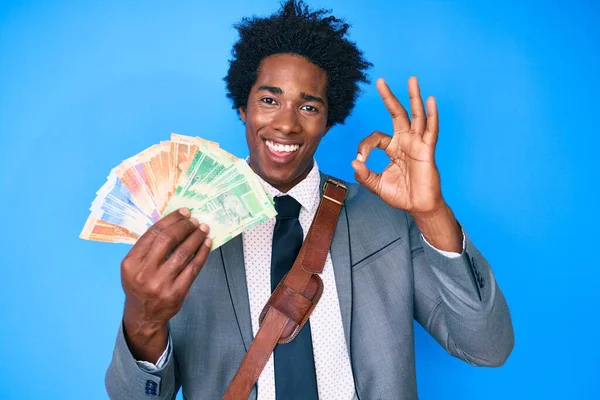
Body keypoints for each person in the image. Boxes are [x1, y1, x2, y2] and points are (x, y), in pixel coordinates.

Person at [105, 1, 514, 399]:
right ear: (242, 107)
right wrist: (143, 321)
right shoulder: (184, 229)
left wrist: (431, 213)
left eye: (308, 105)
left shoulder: (385, 219)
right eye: (269, 100)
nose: (286, 123)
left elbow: (487, 347)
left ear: (327, 120)